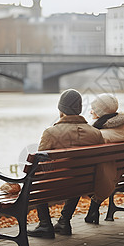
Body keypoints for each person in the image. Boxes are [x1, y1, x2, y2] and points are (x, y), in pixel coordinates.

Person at [27, 89, 104, 238]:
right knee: (77, 174)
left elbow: (39, 167)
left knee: (34, 178)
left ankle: (45, 224)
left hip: (54, 187)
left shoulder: (51, 132)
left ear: (61, 109)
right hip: (83, 184)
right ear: (79, 109)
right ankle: (64, 221)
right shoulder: (95, 133)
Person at [84, 93, 124, 224]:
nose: (90, 111)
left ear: (101, 114)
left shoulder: (100, 135)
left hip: (100, 179)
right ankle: (93, 210)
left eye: (93, 109)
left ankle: (64, 220)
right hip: (120, 175)